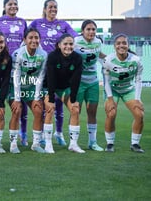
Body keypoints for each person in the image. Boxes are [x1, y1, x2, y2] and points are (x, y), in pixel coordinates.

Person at [29, 0, 78, 147]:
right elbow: (27, 36)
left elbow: (76, 38)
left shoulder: (63, 24)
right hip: (42, 67)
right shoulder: (36, 23)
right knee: (45, 103)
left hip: (60, 68)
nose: (53, 9)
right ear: (44, 9)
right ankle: (43, 134)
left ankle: (59, 133)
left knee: (59, 103)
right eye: (50, 7)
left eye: (55, 7)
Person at [0, 0, 27, 144]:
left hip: (19, 65)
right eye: (10, 4)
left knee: (19, 101)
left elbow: (27, 39)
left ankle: (23, 135)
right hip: (1, 64)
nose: (13, 6)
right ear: (4, 7)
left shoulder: (22, 22)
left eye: (15, 4)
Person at [103, 34, 145, 153]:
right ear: (114, 46)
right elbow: (106, 81)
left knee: (140, 114)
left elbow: (138, 80)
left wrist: (137, 99)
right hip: (113, 90)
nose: (121, 45)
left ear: (128, 45)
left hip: (128, 90)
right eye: (118, 43)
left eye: (124, 43)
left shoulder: (136, 60)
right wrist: (110, 99)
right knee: (111, 113)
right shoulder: (108, 60)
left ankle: (135, 144)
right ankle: (110, 143)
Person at [44, 33, 84, 153]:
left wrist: (73, 99)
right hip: (49, 86)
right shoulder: (52, 56)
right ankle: (48, 144)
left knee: (75, 109)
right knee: (50, 109)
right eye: (65, 44)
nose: (68, 46)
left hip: (65, 88)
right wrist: (51, 99)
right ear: (59, 45)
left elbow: (76, 80)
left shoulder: (77, 58)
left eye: (71, 44)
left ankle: (73, 144)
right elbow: (50, 78)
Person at [10, 28, 47, 154]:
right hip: (16, 86)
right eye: (30, 37)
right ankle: (13, 144)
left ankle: (36, 143)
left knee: (38, 110)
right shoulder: (17, 54)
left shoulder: (43, 55)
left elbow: (41, 76)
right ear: (24, 40)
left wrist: (37, 98)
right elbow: (16, 76)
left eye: (36, 38)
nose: (34, 40)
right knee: (17, 110)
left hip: (31, 86)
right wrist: (17, 99)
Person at [74, 19, 106, 151]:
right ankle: (74, 142)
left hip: (92, 81)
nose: (91, 31)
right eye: (88, 29)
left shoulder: (98, 42)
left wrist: (110, 59)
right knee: (76, 111)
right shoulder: (76, 41)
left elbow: (100, 55)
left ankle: (92, 142)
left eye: (94, 29)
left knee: (92, 112)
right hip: (78, 82)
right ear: (82, 31)